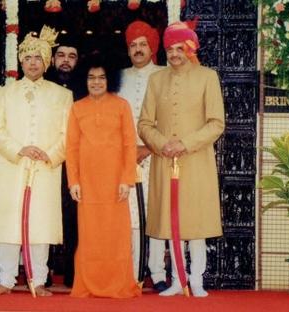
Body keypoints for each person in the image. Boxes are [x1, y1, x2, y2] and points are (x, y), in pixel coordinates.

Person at [138, 21, 225, 297]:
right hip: (165, 161)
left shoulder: (207, 77)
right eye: (170, 49)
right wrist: (163, 144)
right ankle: (177, 279)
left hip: (196, 160)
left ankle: (196, 279)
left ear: (190, 49)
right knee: (169, 220)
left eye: (179, 48)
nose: (174, 54)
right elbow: (144, 124)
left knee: (195, 222)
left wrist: (185, 144)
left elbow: (216, 123)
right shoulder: (156, 79)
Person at [0, 26, 73, 297]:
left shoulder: (62, 94)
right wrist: (20, 149)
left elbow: (69, 133)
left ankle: (38, 279)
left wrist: (50, 154)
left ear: (46, 62)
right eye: (28, 58)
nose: (33, 63)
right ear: (21, 61)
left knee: (41, 223)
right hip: (13, 165)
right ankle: (7, 279)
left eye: (38, 58)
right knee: (9, 222)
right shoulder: (4, 93)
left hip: (46, 167)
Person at [66, 54, 141, 298]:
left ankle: (118, 285)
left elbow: (130, 145)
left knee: (116, 235)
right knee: (89, 235)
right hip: (87, 183)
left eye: (101, 77)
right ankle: (88, 284)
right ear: (83, 80)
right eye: (91, 78)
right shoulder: (77, 108)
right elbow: (72, 148)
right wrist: (73, 181)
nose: (96, 82)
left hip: (115, 182)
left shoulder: (121, 106)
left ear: (110, 80)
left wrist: (126, 179)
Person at [117, 20, 168, 292]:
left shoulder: (165, 75)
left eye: (142, 45)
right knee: (130, 216)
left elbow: (171, 120)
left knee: (157, 214)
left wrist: (148, 148)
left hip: (157, 155)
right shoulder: (119, 77)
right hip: (124, 160)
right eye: (133, 45)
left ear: (153, 47)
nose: (137, 49)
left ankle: (157, 272)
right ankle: (132, 271)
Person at [45, 35, 83, 288]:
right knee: (44, 214)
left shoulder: (86, 89)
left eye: (71, 56)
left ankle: (73, 272)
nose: (66, 61)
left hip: (77, 165)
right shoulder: (42, 87)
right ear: (52, 59)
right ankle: (42, 271)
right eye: (61, 55)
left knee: (74, 219)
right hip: (46, 161)